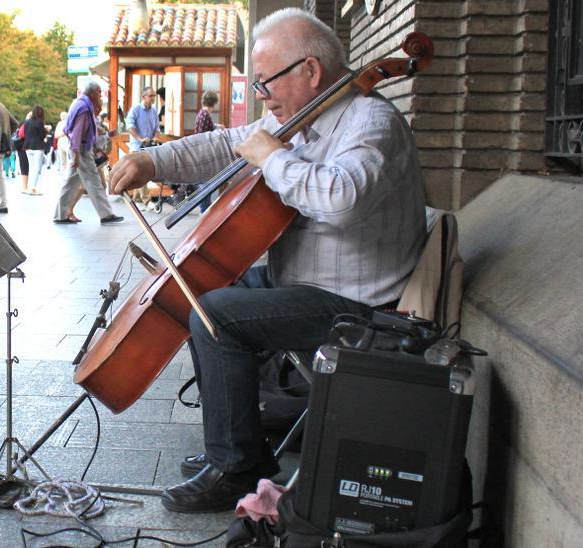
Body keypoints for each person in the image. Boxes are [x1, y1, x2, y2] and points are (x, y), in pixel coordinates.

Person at [107, 8, 427, 513]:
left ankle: (236, 468)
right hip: (309, 282)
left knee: (217, 315)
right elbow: (222, 144)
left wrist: (272, 158)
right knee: (203, 289)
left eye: (265, 83)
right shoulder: (301, 118)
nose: (263, 95)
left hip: (361, 304)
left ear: (310, 72)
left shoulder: (373, 122)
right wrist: (151, 160)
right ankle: (239, 446)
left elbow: (340, 199)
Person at [53, 80, 124, 225]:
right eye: (98, 93)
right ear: (92, 93)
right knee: (94, 182)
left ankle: (60, 215)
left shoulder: (79, 104)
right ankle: (106, 214)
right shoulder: (84, 108)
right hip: (82, 150)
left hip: (79, 149)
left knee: (70, 184)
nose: (100, 97)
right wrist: (77, 155)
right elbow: (77, 134)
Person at [21, 105, 49, 195]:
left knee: (32, 167)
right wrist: (46, 131)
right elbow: (42, 135)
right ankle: (33, 188)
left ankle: (30, 187)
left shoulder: (27, 122)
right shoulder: (40, 122)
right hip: (38, 147)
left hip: (28, 146)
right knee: (37, 168)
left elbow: (25, 133)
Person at [125, 86, 160, 153]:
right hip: (136, 148)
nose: (153, 98)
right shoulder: (136, 108)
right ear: (143, 97)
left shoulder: (154, 110)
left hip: (150, 149)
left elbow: (157, 128)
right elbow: (129, 126)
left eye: (154, 96)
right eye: (150, 96)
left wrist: (155, 137)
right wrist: (140, 139)